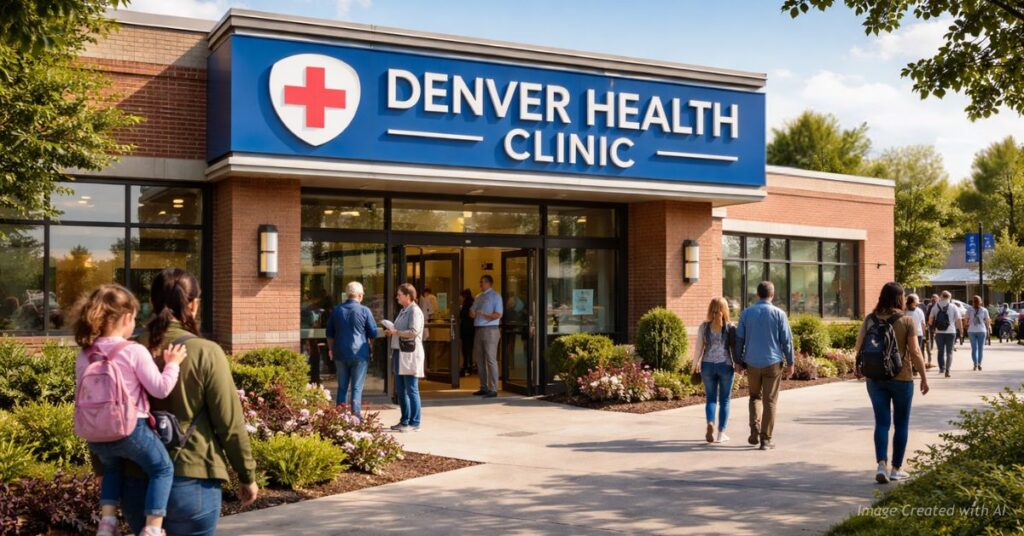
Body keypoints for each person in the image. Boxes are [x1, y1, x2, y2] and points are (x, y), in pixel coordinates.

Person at [120, 268, 258, 535]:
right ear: (193, 305)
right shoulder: (207, 352)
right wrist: (246, 475)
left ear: (152, 303)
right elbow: (229, 423)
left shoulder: (128, 350)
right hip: (193, 479)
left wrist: (104, 468)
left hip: (137, 480)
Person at [72, 284, 188, 536]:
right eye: (134, 318)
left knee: (113, 468)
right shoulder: (133, 350)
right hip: (130, 429)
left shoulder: (84, 354)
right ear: (126, 318)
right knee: (162, 469)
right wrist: (172, 365)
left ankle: (107, 522)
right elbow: (160, 389)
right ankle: (153, 528)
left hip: (95, 435)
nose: (135, 323)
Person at [855, 282, 929, 484]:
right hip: (902, 377)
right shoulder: (907, 320)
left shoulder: (870, 319)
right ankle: (896, 468)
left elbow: (859, 346)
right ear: (900, 298)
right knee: (901, 423)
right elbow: (915, 352)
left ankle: (881, 464)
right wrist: (923, 376)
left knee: (881, 422)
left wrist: (857, 366)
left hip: (875, 377)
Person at [735, 281, 794, 450]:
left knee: (754, 397)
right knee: (770, 401)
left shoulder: (746, 313)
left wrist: (738, 361)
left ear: (757, 294)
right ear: (772, 295)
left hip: (751, 362)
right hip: (773, 363)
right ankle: (765, 439)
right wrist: (791, 362)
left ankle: (754, 430)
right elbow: (787, 341)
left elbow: (739, 339)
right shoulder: (779, 314)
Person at [326, 281, 378, 415]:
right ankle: (356, 417)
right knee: (356, 388)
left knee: (342, 387)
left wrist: (331, 349)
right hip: (360, 354)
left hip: (340, 352)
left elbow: (329, 333)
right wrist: (370, 343)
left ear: (347, 295)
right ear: (360, 295)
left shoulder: (337, 310)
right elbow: (373, 332)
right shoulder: (365, 311)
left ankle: (340, 416)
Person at [691, 297, 738, 444]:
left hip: (707, 365)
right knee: (724, 400)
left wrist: (694, 366)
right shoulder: (730, 327)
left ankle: (710, 422)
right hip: (725, 365)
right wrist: (738, 364)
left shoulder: (704, 327)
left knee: (711, 399)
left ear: (710, 309)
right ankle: (721, 433)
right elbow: (734, 349)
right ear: (725, 310)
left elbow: (698, 348)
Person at [385, 283, 425, 432]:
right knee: (401, 390)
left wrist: (396, 332)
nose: (397, 297)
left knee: (411, 389)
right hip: (399, 353)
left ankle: (415, 422)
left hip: (409, 354)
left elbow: (414, 331)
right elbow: (400, 330)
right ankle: (404, 420)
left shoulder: (415, 311)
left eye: (399, 294)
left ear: (408, 296)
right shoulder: (403, 311)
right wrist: (392, 331)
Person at [470, 275, 503, 398]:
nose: (480, 284)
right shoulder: (478, 297)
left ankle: (493, 388)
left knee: (490, 359)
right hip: (478, 329)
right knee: (479, 359)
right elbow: (472, 312)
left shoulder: (496, 296)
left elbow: (498, 314)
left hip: (491, 330)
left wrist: (485, 314)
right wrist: (472, 313)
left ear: (489, 283)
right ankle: (483, 387)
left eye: (482, 282)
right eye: (480, 282)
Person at [928, 290, 961, 378]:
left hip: (939, 332)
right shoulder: (953, 306)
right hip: (951, 331)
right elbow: (958, 320)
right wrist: (961, 330)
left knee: (940, 351)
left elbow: (930, 320)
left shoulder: (935, 306)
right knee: (949, 352)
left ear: (941, 296)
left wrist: (932, 328)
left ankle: (941, 368)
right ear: (949, 297)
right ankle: (948, 370)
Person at [965, 295, 991, 371]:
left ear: (972, 302)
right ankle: (979, 363)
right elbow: (987, 320)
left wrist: (966, 326)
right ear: (981, 302)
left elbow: (966, 320)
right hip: (982, 330)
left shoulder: (969, 309)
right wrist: (989, 328)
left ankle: (975, 364)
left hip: (971, 330)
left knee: (974, 348)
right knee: (980, 348)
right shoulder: (984, 310)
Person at [458, 289, 476, 377]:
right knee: (470, 348)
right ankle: (470, 365)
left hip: (466, 328)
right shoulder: (473, 302)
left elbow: (462, 315)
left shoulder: (466, 304)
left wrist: (460, 307)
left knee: (465, 348)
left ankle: (466, 366)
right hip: (472, 328)